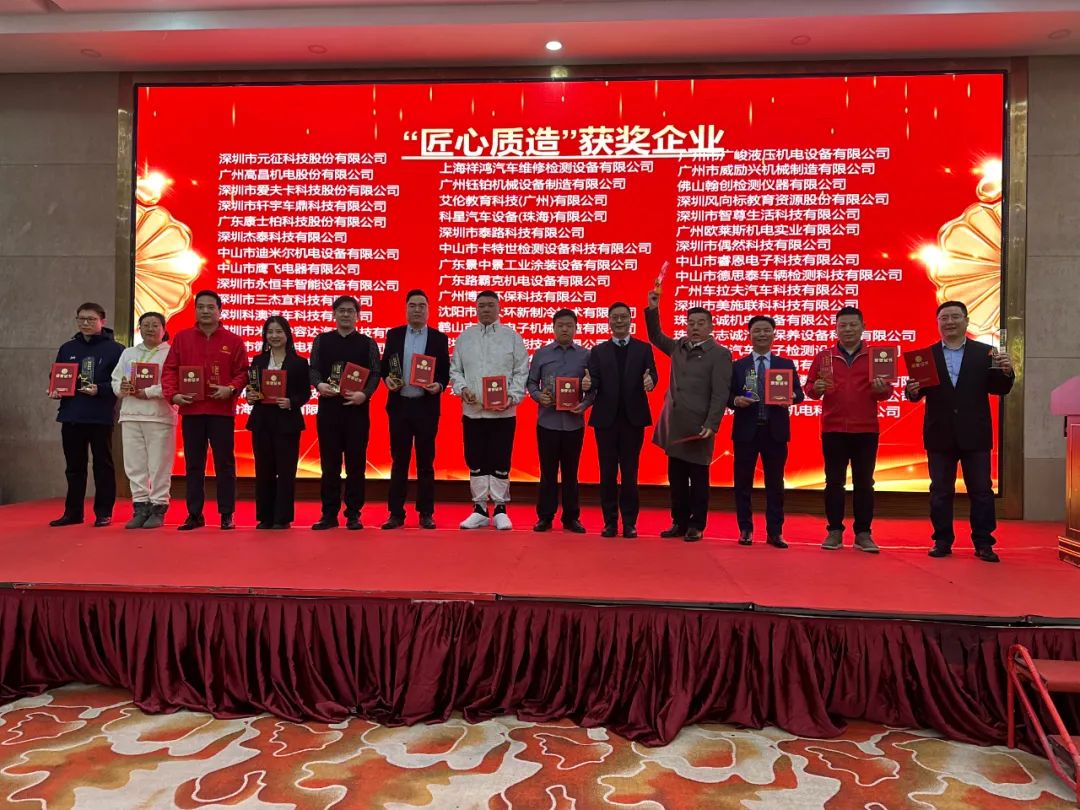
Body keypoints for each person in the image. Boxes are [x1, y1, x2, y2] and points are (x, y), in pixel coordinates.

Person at [905, 300, 1014, 563]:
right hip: (939, 433)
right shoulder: (926, 356)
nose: (950, 322)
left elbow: (999, 389)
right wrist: (912, 390)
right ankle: (942, 541)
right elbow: (916, 394)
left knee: (981, 491)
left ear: (966, 320)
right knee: (940, 491)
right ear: (937, 323)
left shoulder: (986, 353)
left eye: (955, 317)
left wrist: (1007, 372)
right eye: (944, 318)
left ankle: (984, 543)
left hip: (975, 433)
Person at [645, 288, 732, 542]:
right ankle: (679, 521)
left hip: (699, 426)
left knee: (699, 478)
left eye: (701, 323)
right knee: (677, 478)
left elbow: (720, 393)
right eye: (691, 323)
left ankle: (697, 524)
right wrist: (653, 308)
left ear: (711, 327)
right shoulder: (678, 346)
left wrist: (712, 423)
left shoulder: (720, 354)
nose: (695, 327)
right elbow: (655, 336)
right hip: (676, 424)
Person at [805, 306, 893, 553]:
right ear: (836, 328)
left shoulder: (877, 356)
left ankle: (863, 534)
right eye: (842, 325)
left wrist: (881, 389)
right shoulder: (824, 357)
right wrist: (816, 388)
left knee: (865, 483)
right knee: (834, 482)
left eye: (853, 325)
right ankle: (834, 531)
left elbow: (887, 392)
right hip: (833, 428)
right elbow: (809, 389)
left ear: (863, 327)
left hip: (866, 429)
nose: (848, 329)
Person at [162, 290, 249, 531]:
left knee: (224, 464)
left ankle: (226, 514)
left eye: (211, 307)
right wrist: (174, 395)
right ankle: (194, 514)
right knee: (193, 464)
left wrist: (231, 389)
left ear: (220, 310)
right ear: (195, 310)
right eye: (200, 307)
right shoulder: (182, 338)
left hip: (221, 411)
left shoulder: (233, 340)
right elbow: (170, 370)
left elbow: (243, 372)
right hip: (192, 411)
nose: (205, 311)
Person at [449, 290, 528, 531]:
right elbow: (455, 370)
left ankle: (501, 509)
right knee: (475, 460)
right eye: (481, 305)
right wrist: (462, 389)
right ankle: (480, 509)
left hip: (503, 413)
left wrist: (512, 397)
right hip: (473, 411)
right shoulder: (465, 338)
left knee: (500, 460)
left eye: (490, 305)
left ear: (499, 308)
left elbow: (521, 371)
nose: (485, 309)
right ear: (475, 308)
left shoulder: (512, 337)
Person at [729, 315, 805, 548]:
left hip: (775, 432)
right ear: (749, 335)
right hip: (746, 432)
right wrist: (736, 401)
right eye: (757, 331)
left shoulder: (785, 364)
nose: (762, 334)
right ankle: (745, 529)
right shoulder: (738, 366)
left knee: (775, 484)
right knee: (743, 483)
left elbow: (799, 394)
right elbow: (727, 395)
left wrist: (790, 397)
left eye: (766, 330)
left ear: (774, 334)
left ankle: (775, 532)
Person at [308, 295, 381, 530]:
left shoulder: (367, 343)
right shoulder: (322, 340)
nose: (346, 314)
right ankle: (329, 514)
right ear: (334, 314)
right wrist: (319, 385)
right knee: (329, 465)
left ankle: (353, 513)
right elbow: (313, 369)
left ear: (357, 315)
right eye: (341, 310)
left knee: (355, 465)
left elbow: (375, 373)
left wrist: (364, 394)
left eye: (350, 311)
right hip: (329, 410)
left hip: (356, 411)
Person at [48, 302, 124, 527]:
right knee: (74, 467)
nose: (85, 323)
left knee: (103, 465)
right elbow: (57, 375)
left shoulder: (116, 349)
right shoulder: (68, 348)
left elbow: (121, 383)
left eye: (91, 319)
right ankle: (73, 512)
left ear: (102, 321)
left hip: (100, 415)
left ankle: (103, 512)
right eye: (81, 319)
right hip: (71, 414)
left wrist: (99, 389)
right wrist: (54, 389)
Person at [586, 302, 657, 538]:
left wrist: (650, 381)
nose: (619, 321)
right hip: (605, 421)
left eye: (623, 317)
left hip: (633, 420)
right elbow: (593, 381)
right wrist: (587, 384)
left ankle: (629, 522)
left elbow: (652, 375)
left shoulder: (643, 349)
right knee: (607, 473)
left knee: (630, 473)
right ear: (608, 321)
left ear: (630, 320)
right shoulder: (598, 351)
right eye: (615, 317)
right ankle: (609, 522)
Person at [380, 289, 450, 530]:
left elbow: (444, 372)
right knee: (399, 461)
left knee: (425, 462)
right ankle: (395, 513)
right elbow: (385, 366)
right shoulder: (394, 335)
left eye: (422, 305)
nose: (417, 309)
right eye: (412, 305)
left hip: (426, 407)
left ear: (429, 310)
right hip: (399, 406)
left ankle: (426, 513)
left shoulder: (439, 338)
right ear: (406, 308)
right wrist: (387, 380)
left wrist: (438, 386)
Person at [526, 309, 593, 533]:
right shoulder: (541, 354)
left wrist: (584, 404)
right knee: (548, 472)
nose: (565, 329)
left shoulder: (586, 355)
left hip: (574, 423)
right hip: (548, 422)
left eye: (569, 325)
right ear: (553, 328)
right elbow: (531, 383)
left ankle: (571, 517)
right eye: (560, 325)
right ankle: (545, 517)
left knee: (571, 472)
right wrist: (539, 396)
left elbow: (593, 387)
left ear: (576, 328)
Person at [111, 311, 176, 530]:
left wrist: (148, 392)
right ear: (139, 328)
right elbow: (116, 378)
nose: (150, 329)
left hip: (160, 417)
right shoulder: (129, 353)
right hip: (130, 415)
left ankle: (158, 507)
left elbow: (173, 384)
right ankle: (140, 507)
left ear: (164, 329)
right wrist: (122, 387)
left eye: (155, 325)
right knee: (134, 465)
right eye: (145, 325)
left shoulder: (171, 353)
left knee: (159, 465)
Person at [245, 316, 311, 530]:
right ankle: (265, 516)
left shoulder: (299, 362)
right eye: (270, 332)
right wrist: (250, 396)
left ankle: (282, 517)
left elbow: (305, 393)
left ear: (287, 335)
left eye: (279, 332)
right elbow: (252, 388)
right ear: (265, 336)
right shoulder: (258, 361)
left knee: (286, 471)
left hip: (287, 422)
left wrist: (291, 402)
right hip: (262, 421)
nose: (274, 336)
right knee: (263, 470)